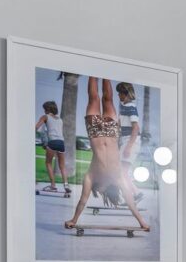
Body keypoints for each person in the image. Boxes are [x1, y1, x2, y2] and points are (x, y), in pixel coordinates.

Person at [64, 78, 150, 232]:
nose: (102, 191)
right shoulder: (117, 178)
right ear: (108, 190)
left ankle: (94, 74)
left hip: (95, 131)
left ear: (100, 190)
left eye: (100, 191)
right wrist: (142, 222)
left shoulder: (91, 177)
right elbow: (130, 201)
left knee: (94, 98)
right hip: (111, 131)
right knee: (107, 99)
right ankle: (105, 73)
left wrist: (74, 219)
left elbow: (83, 200)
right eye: (105, 192)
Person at [116, 82, 144, 203]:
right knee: (123, 172)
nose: (118, 96)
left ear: (126, 93)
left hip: (131, 141)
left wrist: (129, 147)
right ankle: (132, 195)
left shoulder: (131, 107)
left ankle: (136, 193)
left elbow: (136, 128)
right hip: (125, 141)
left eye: (120, 93)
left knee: (121, 173)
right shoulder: (125, 107)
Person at [34, 101, 69, 195]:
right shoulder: (60, 119)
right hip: (61, 142)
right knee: (62, 166)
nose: (44, 110)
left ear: (48, 109)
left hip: (52, 142)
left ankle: (53, 185)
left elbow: (36, 127)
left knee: (48, 163)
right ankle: (66, 185)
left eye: (44, 108)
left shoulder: (45, 117)